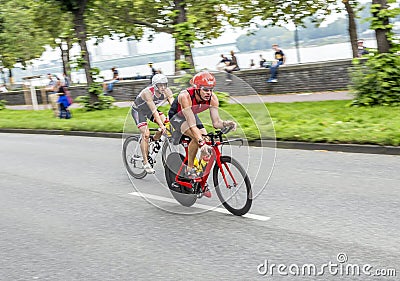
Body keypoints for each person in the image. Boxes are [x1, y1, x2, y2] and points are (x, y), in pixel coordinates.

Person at [168, 71, 236, 191]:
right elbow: (192, 125)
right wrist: (201, 142)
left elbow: (216, 123)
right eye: (205, 89)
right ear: (197, 88)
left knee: (207, 139)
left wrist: (226, 123)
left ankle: (199, 174)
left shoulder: (213, 98)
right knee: (197, 138)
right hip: (178, 117)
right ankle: (189, 169)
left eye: (211, 89)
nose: (209, 93)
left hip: (192, 115)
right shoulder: (186, 96)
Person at [131, 74, 174, 174]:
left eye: (165, 85)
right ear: (155, 86)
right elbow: (154, 112)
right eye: (160, 85)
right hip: (139, 111)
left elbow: (173, 105)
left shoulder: (167, 91)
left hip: (150, 110)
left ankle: (153, 139)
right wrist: (161, 125)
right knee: (146, 134)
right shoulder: (147, 93)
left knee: (167, 124)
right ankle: (145, 162)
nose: (163, 88)